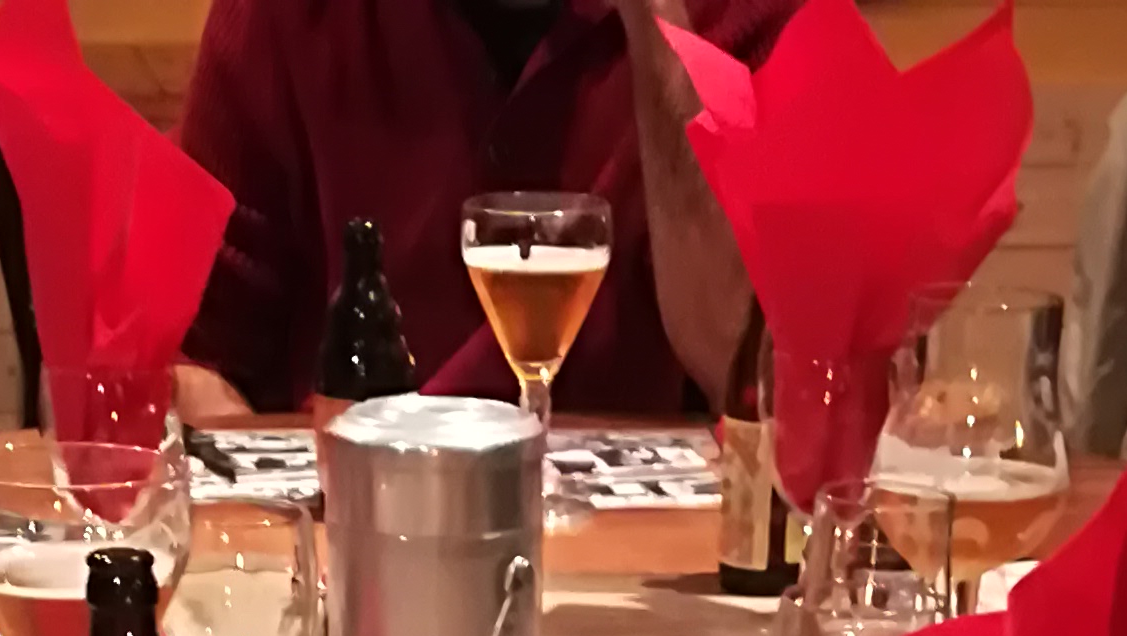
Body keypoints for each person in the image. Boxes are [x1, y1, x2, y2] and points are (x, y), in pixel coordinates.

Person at [175, 0, 782, 420]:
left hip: (639, 550)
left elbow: (745, 372)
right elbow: (188, 358)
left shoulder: (733, 16)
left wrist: (654, 24)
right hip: (359, 528)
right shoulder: (283, 18)